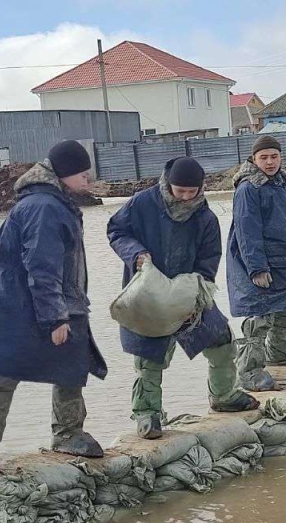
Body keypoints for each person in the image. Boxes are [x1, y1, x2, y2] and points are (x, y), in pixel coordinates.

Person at [0, 140, 107, 480]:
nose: (87, 180)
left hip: (52, 299)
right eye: (82, 174)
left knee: (70, 367)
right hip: (17, 304)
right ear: (63, 174)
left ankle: (68, 434)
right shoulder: (45, 206)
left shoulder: (55, 201)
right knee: (0, 376)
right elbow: (42, 267)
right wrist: (55, 317)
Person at [107, 157, 260, 439]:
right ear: (169, 184)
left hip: (188, 292)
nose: (187, 197)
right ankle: (147, 414)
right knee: (149, 357)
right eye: (181, 191)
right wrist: (135, 254)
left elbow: (209, 259)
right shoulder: (142, 203)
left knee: (221, 341)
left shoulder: (205, 217)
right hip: (148, 292)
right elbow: (116, 230)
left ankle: (223, 395)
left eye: (193, 192)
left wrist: (198, 292)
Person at [226, 135, 286, 392]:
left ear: (281, 157)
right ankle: (249, 372)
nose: (270, 162)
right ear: (254, 159)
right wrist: (257, 268)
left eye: (274, 156)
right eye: (264, 157)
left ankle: (278, 356)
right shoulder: (249, 189)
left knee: (283, 311)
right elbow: (246, 231)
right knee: (258, 319)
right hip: (261, 264)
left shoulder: (284, 183)